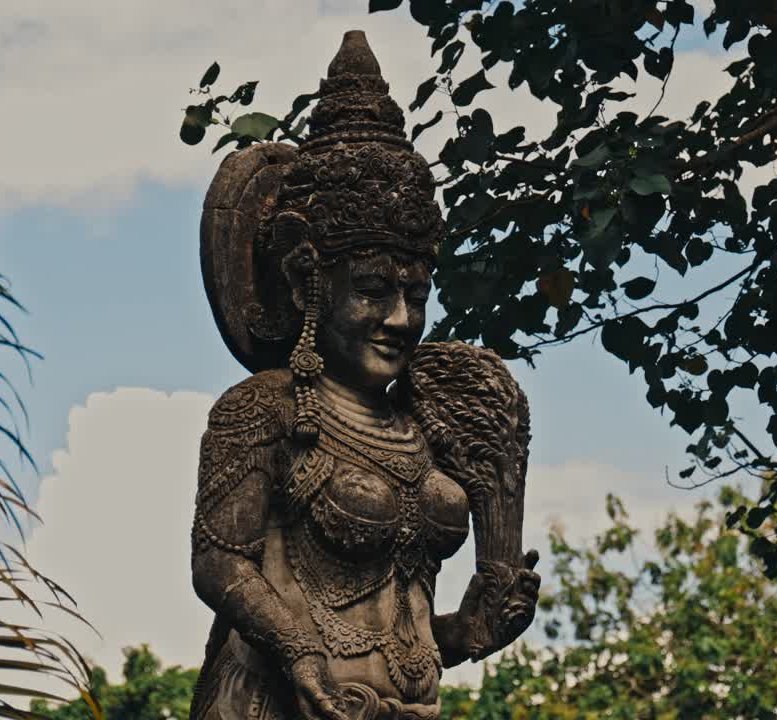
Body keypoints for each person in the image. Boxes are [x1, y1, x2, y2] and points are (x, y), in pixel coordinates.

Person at [189, 31, 538, 720]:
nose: (402, 319)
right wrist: (298, 649)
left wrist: (469, 634)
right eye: (375, 289)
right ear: (306, 278)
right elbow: (219, 562)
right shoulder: (267, 409)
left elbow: (403, 634)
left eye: (417, 293)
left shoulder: (423, 425)